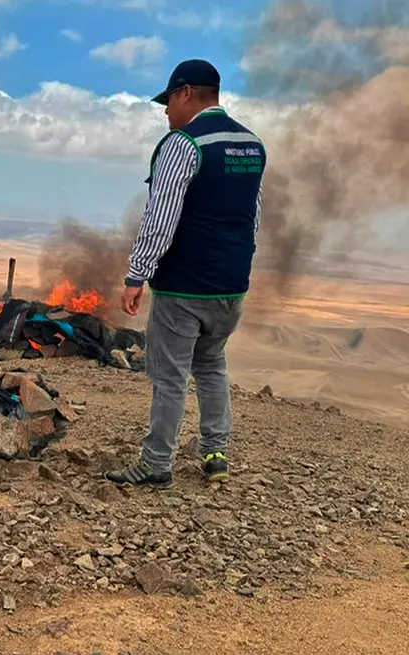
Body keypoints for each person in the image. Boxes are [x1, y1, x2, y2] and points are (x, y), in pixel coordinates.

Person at [107, 58, 266, 488]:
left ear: (186, 94)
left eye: (167, 101)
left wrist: (137, 274)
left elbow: (160, 217)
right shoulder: (252, 145)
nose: (165, 112)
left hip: (184, 286)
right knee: (212, 364)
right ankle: (216, 451)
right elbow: (251, 217)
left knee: (169, 375)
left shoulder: (183, 145)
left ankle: (156, 463)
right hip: (232, 287)